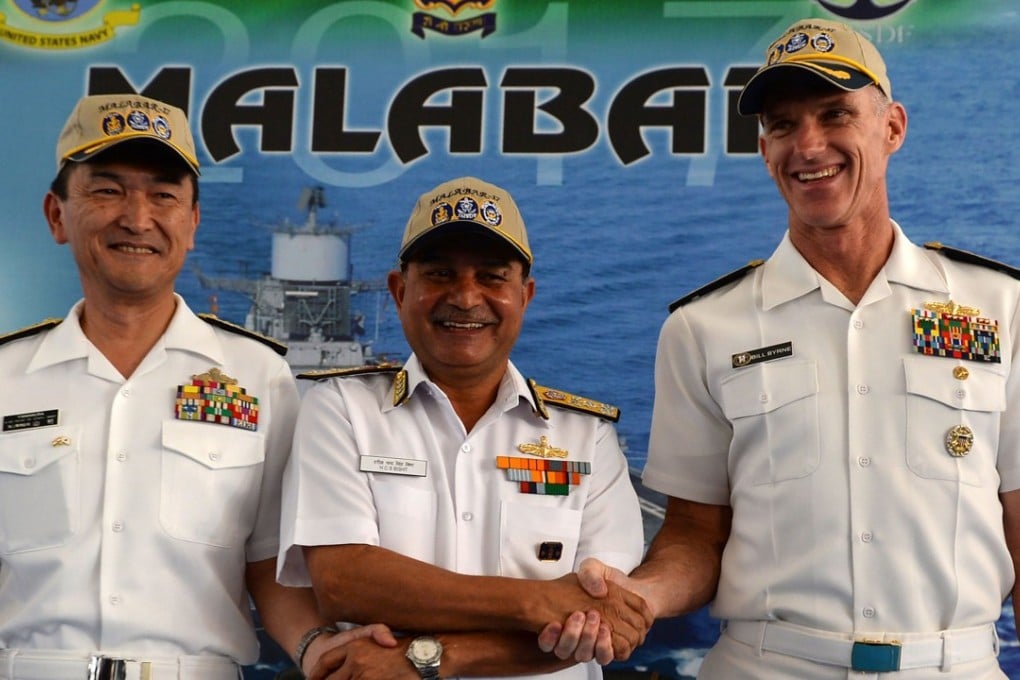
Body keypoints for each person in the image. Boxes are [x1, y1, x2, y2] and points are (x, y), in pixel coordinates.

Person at [540, 17, 1020, 679]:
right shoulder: (704, 328)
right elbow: (694, 534)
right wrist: (642, 596)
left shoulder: (1000, 308)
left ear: (893, 128)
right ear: (764, 149)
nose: (809, 145)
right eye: (783, 125)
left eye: (835, 115)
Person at [0, 93, 393, 680]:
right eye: (107, 190)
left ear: (191, 223)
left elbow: (267, 563)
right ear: (57, 215)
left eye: (163, 194)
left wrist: (317, 648)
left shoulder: (260, 378)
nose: (137, 217)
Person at [276, 176, 651, 680]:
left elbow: (608, 623)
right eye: (440, 274)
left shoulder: (587, 436)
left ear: (526, 295)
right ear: (399, 290)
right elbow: (344, 581)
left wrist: (424, 659)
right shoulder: (341, 408)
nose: (466, 297)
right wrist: (539, 601)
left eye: (492, 277)